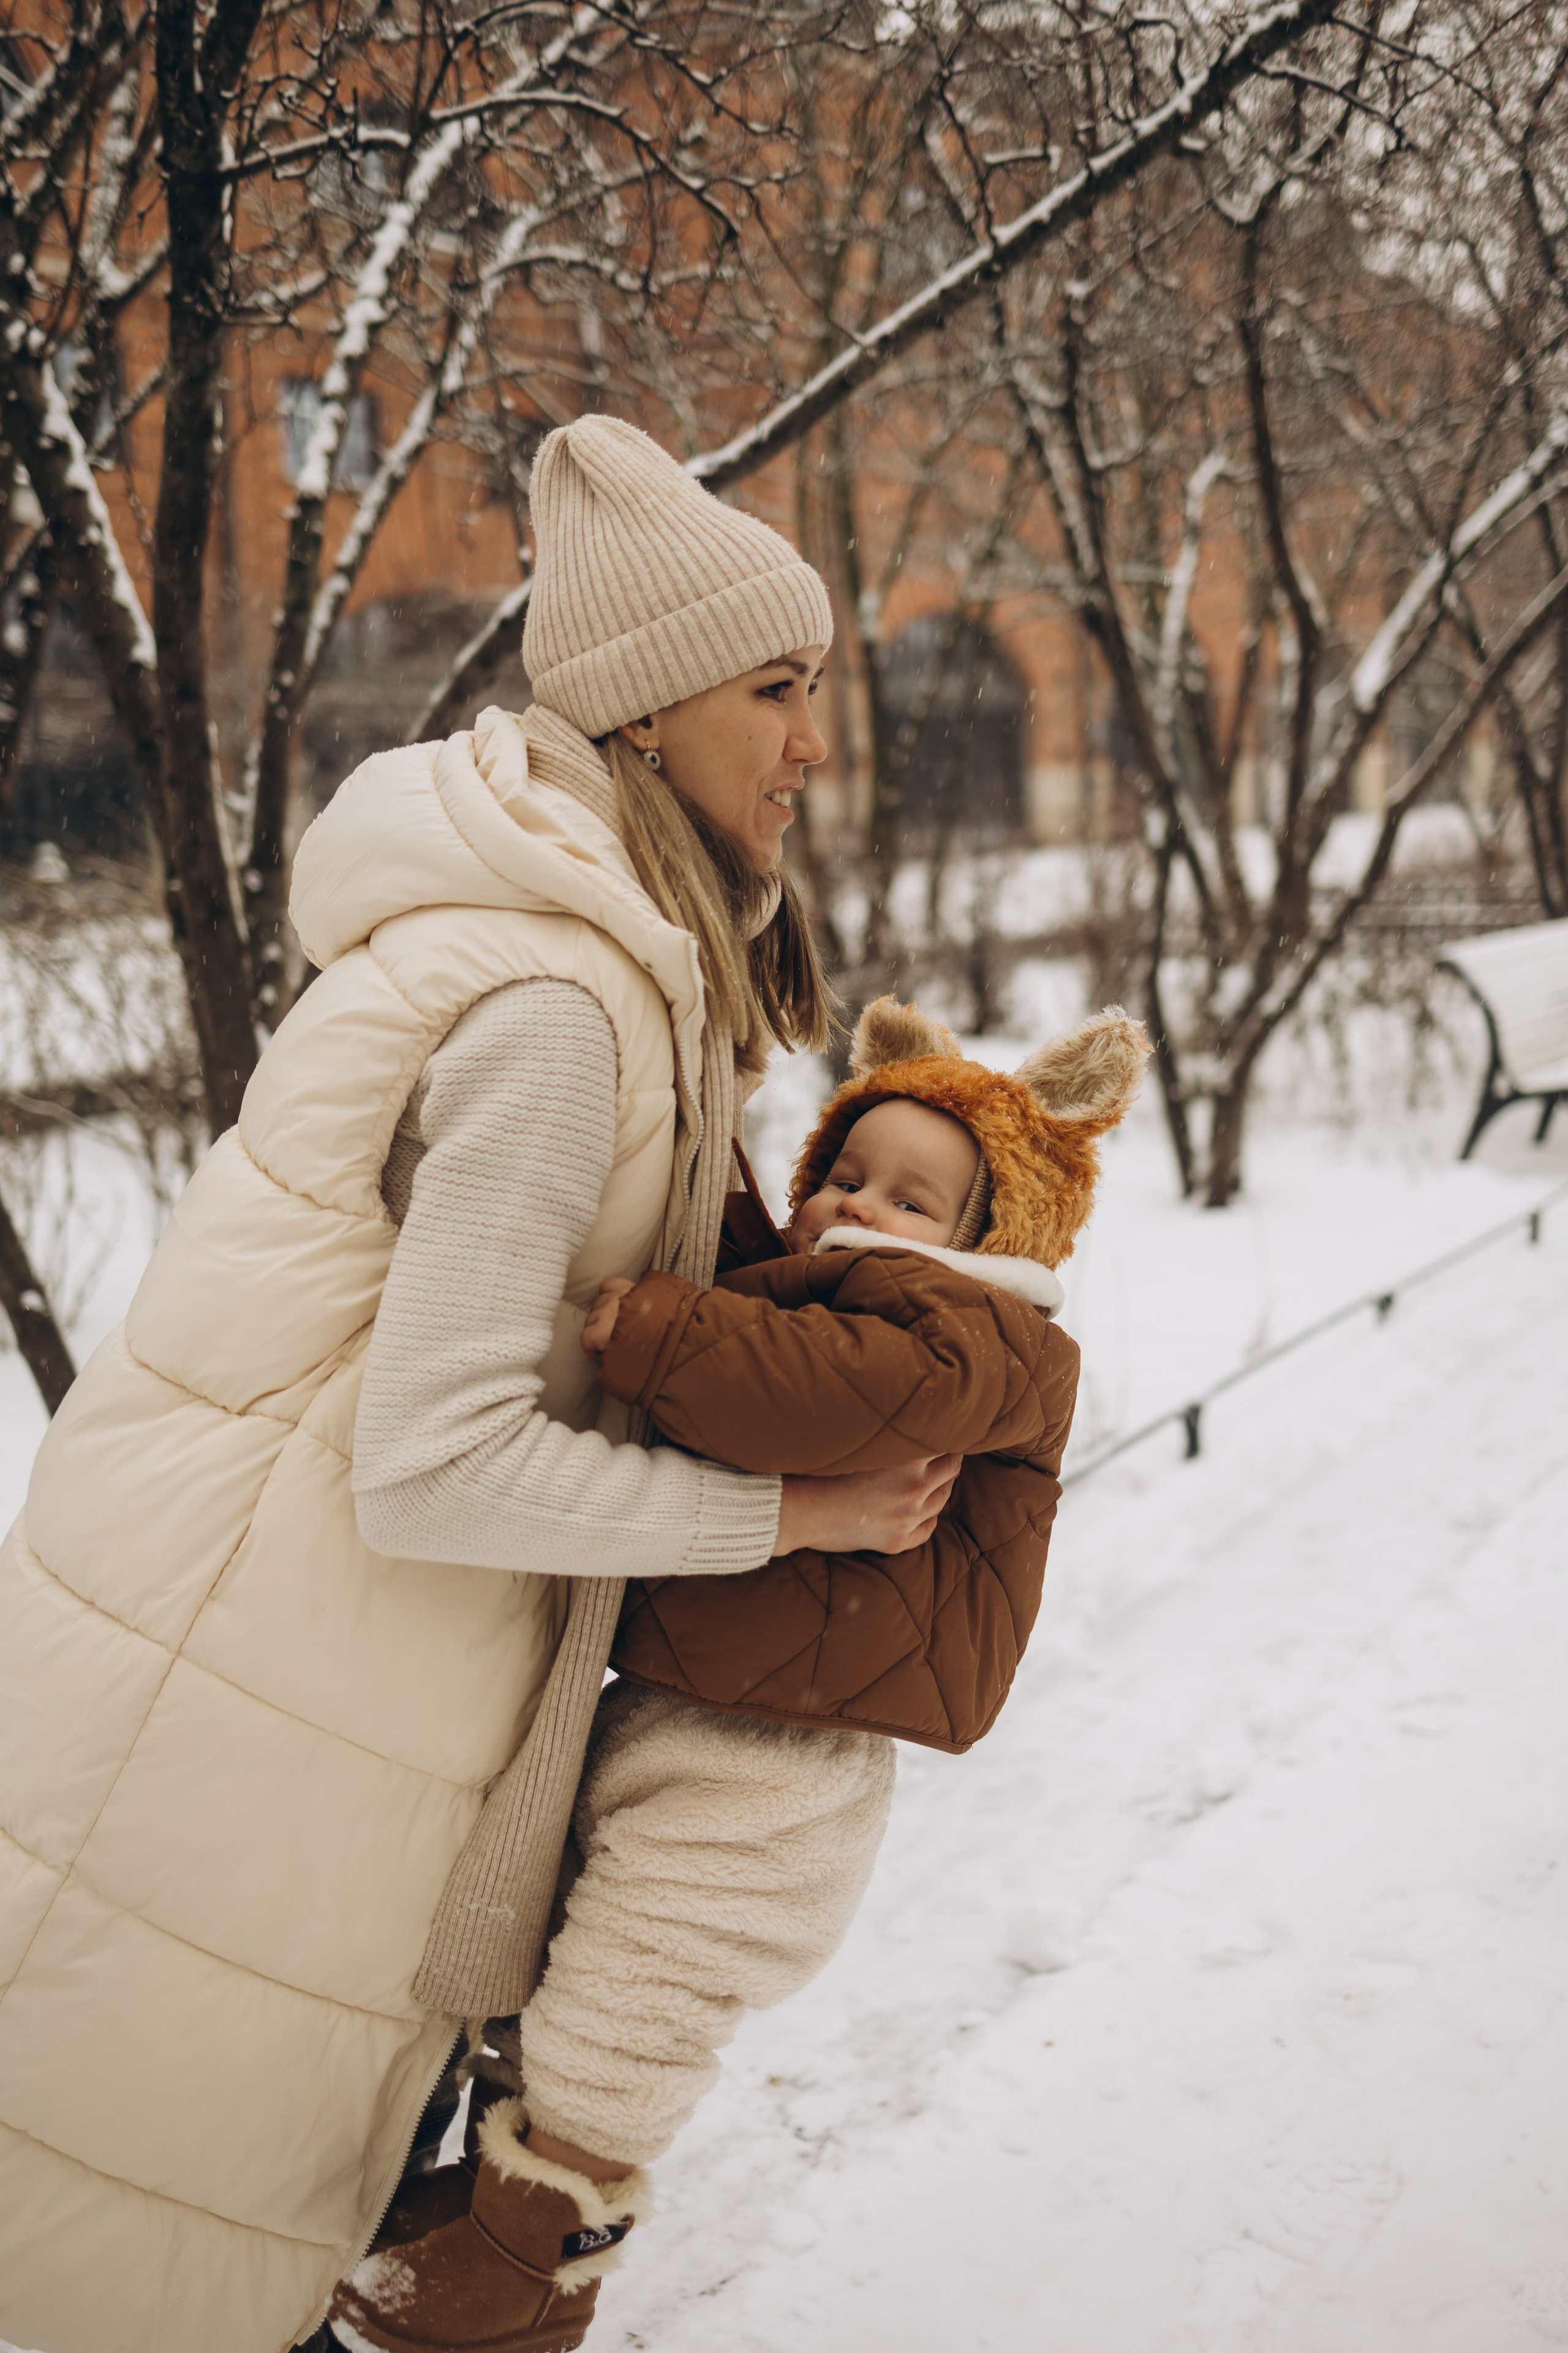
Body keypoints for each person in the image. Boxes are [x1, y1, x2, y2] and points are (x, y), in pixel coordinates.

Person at [0, 417, 944, 2353]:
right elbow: (429, 1462)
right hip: (247, 1719)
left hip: (298, 1694)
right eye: (779, 692)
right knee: (142, 2256)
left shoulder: (611, 967)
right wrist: (793, 1511)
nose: (810, 747)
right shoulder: (554, 1010)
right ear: (654, 707)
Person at [327, 998, 1145, 2353]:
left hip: (784, 1766)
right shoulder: (846, 1295)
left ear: (995, 1238)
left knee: (637, 1997)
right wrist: (696, 1157)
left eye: (910, 1199)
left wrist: (655, 1332)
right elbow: (761, 1296)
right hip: (703, 1711)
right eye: (840, 1172)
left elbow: (802, 1389)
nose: (850, 1207)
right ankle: (495, 2223)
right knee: (575, 1976)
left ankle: (526, 2271)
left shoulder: (979, 1341)